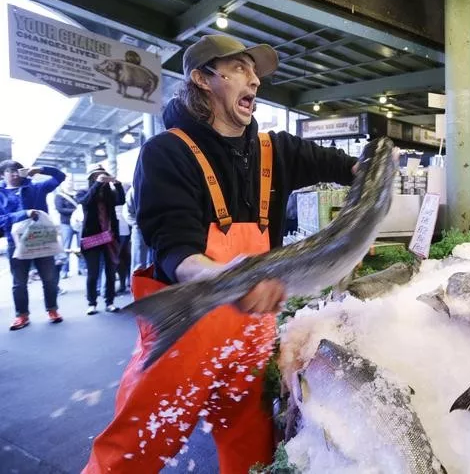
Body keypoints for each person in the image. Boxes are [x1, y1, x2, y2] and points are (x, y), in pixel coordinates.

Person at [84, 34, 362, 473]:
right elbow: (175, 247)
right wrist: (222, 276)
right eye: (239, 68)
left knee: (253, 451)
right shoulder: (166, 151)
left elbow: (349, 166)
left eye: (256, 72)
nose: (254, 79)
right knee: (134, 450)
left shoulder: (277, 149)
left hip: (253, 330)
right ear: (202, 78)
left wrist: (376, 163)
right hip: (187, 327)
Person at [0, 160, 65, 330]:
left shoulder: (37, 187)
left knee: (49, 278)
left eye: (17, 170)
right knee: (19, 282)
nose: (14, 174)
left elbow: (59, 176)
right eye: (10, 171)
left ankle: (52, 310)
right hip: (15, 242)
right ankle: (22, 315)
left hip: (42, 238)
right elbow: (1, 220)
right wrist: (24, 214)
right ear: (2, 174)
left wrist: (41, 169)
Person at [77, 164, 125, 315]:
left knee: (110, 272)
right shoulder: (83, 191)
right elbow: (86, 201)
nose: (101, 177)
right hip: (92, 237)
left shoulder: (109, 193)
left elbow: (121, 200)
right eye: (97, 175)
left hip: (109, 236)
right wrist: (98, 183)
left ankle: (109, 302)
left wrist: (118, 185)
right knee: (93, 272)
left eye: (103, 175)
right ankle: (92, 303)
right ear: (91, 178)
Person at [54, 174, 85, 278]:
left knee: (82, 247)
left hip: (79, 223)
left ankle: (82, 268)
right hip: (66, 224)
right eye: (67, 181)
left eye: (71, 181)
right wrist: (76, 211)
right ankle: (64, 270)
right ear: (63, 183)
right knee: (65, 248)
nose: (70, 183)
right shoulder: (59, 195)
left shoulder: (77, 194)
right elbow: (60, 209)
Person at [123, 184, 149, 279]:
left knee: (152, 262)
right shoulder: (134, 190)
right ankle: (138, 291)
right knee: (138, 264)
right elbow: (127, 213)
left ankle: (150, 288)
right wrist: (138, 224)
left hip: (155, 228)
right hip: (139, 229)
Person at [114, 185, 131, 294]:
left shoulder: (123, 198)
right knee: (122, 259)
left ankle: (125, 283)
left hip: (124, 233)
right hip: (120, 233)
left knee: (123, 259)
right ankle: (124, 283)